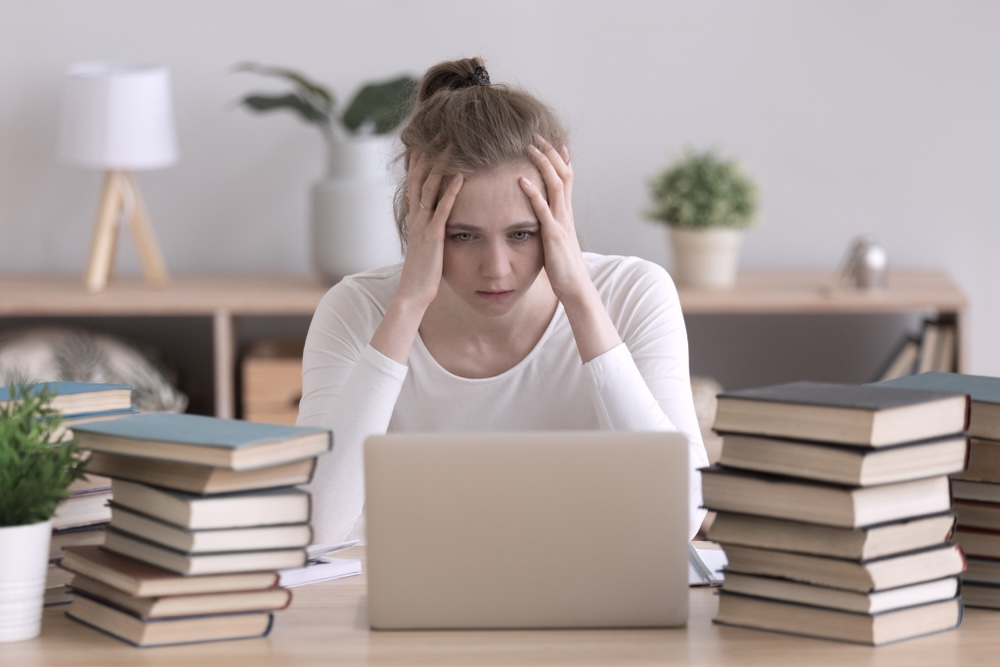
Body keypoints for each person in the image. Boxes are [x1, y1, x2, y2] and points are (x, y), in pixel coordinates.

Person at [296, 57, 709, 545]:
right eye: (463, 235)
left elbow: (682, 518)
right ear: (419, 215)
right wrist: (407, 304)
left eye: (522, 233)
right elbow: (315, 527)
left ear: (559, 211)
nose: (496, 268)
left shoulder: (635, 294)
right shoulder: (355, 310)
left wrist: (579, 295)